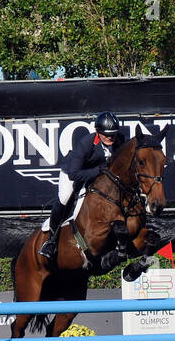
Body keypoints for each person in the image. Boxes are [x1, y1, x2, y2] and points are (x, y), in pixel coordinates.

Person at [39, 111, 125, 263]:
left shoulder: (119, 140)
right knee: (65, 198)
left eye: (113, 134)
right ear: (98, 132)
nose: (110, 137)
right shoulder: (86, 144)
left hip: (99, 176)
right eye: (106, 134)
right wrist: (99, 170)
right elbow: (74, 174)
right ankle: (51, 241)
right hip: (73, 173)